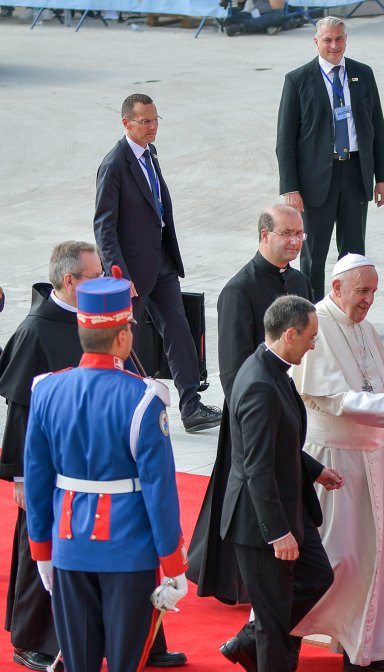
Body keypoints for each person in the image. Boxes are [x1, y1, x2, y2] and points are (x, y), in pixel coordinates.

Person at [24, 274, 189, 672]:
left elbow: (38, 474)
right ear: (123, 335)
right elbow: (160, 494)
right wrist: (175, 567)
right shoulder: (144, 400)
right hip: (130, 557)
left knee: (78, 670)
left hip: (70, 552)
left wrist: (42, 554)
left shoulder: (47, 390)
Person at [0, 243, 185, 672]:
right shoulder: (35, 331)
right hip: (54, 468)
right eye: (94, 275)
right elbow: (22, 412)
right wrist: (23, 479)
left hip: (107, 457)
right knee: (38, 554)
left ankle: (147, 641)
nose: (104, 281)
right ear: (69, 282)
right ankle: (31, 640)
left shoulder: (97, 319)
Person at [291, 253, 384, 672]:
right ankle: (265, 632)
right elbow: (334, 399)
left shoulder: (364, 327)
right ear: (337, 288)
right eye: (362, 291)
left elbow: (383, 387)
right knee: (333, 557)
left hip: (373, 460)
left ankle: (361, 647)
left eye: (373, 293)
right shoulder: (318, 325)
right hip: (335, 463)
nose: (368, 301)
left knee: (371, 559)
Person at [218, 296, 342, 672]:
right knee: (272, 612)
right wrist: (277, 533)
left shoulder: (274, 372)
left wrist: (315, 469)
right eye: (309, 338)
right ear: (289, 334)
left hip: (288, 505)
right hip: (260, 521)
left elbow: (281, 443)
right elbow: (256, 468)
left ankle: (248, 642)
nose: (312, 346)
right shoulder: (257, 384)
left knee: (317, 576)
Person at [187, 205, 314, 605]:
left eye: (299, 234)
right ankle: (235, 580)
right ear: (264, 236)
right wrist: (261, 409)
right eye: (286, 234)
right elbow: (231, 370)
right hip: (252, 413)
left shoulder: (299, 280)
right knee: (244, 494)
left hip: (287, 402)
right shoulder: (238, 290)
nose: (294, 241)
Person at [94, 93, 222, 433]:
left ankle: (191, 405)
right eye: (145, 122)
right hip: (132, 270)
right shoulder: (114, 164)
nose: (153, 127)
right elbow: (104, 225)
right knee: (128, 340)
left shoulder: (150, 154)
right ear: (126, 123)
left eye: (155, 120)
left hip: (162, 260)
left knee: (179, 328)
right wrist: (119, 273)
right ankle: (132, 410)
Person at [276, 16, 384, 301]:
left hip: (354, 172)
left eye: (339, 39)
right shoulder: (298, 80)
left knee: (353, 252)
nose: (334, 45)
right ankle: (311, 315)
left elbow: (376, 127)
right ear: (316, 42)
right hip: (315, 179)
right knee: (313, 254)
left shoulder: (362, 74)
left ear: (346, 40)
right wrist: (290, 188)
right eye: (327, 40)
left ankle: (349, 310)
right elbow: (284, 140)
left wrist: (383, 177)